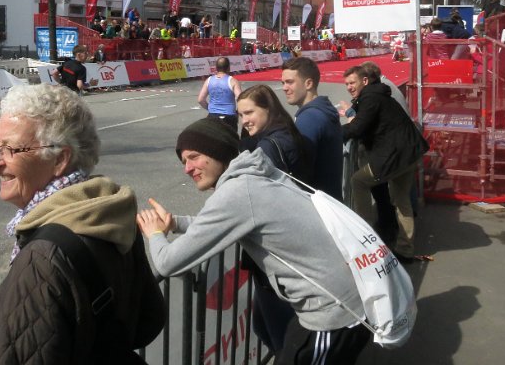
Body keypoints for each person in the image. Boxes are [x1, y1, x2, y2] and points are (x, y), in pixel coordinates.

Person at [136, 118, 370, 364]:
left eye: (194, 156)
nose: (187, 168)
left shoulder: (237, 193)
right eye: (184, 161)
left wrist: (154, 233)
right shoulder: (255, 173)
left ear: (217, 151)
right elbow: (225, 223)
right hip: (349, 300)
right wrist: (175, 224)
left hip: (335, 316)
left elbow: (167, 263)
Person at [0, 84, 165, 363]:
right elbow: (147, 321)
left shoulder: (41, 259)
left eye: (10, 149)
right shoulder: (109, 211)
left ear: (59, 158)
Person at [236, 84, 314, 351]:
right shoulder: (287, 131)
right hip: (291, 247)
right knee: (263, 326)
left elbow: (255, 200)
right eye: (240, 115)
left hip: (277, 255)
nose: (244, 120)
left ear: (267, 109)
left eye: (249, 112)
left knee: (281, 337)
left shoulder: (268, 147)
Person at [341, 65, 429, 263]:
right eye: (346, 84)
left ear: (365, 81)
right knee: (401, 199)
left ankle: (366, 236)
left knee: (358, 181)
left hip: (396, 155)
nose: (349, 87)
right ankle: (405, 249)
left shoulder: (370, 97)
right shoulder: (378, 93)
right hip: (409, 153)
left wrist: (333, 133)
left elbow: (358, 127)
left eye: (352, 83)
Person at [281, 57, 344, 201]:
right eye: (283, 83)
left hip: (317, 203)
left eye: (290, 82)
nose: (284, 87)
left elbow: (298, 169)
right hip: (330, 200)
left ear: (308, 83)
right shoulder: (323, 109)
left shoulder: (310, 118)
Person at [197, 56, 241, 129]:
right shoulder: (232, 81)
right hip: (229, 115)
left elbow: (200, 100)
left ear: (216, 68)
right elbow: (240, 99)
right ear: (228, 68)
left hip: (213, 116)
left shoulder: (209, 80)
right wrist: (237, 112)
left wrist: (210, 108)